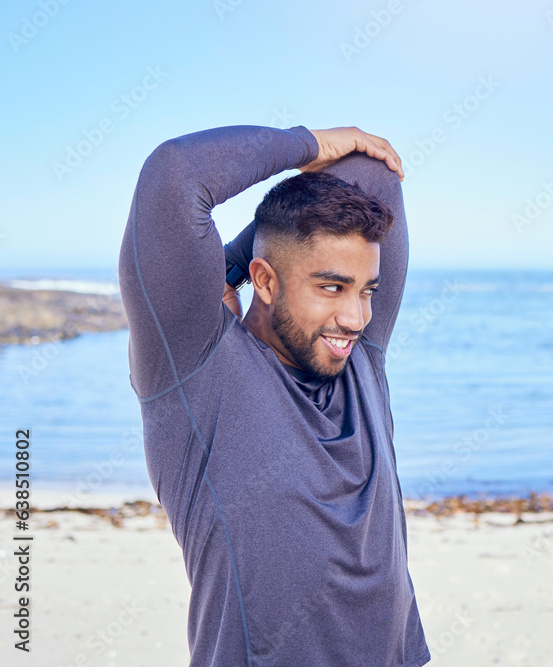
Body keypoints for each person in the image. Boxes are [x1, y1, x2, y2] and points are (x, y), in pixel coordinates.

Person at [118, 124, 430, 666]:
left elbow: (374, 176)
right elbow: (174, 174)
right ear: (266, 283)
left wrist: (238, 263)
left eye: (367, 290)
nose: (356, 318)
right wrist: (306, 144)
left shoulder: (361, 362)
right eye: (331, 287)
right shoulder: (196, 368)